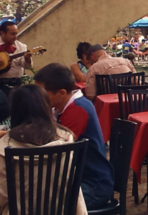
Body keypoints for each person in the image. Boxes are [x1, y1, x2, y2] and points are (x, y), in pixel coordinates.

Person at [34, 64, 113, 210]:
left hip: (93, 186)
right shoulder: (59, 109)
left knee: (41, 201)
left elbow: (58, 151)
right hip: (79, 179)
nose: (38, 98)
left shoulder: (77, 109)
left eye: (42, 93)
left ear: (61, 93)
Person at [0, 84, 88, 215]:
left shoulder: (5, 146)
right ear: (46, 107)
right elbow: (72, 185)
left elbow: (2, 196)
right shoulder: (66, 138)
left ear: (15, 110)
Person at [0, 22, 33, 97]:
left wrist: (27, 59)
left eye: (16, 34)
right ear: (2, 33)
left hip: (16, 85)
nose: (15, 37)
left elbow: (27, 67)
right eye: (12, 34)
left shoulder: (21, 47)